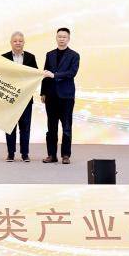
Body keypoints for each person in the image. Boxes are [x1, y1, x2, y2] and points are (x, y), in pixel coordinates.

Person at [41, 27, 80, 165]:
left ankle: (65, 155)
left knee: (66, 127)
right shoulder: (50, 54)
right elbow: (45, 74)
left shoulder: (74, 55)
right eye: (59, 36)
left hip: (66, 96)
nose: (62, 39)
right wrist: (43, 92)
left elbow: (72, 73)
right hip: (51, 96)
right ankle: (51, 155)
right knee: (51, 127)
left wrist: (55, 75)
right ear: (56, 38)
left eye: (64, 37)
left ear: (68, 39)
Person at [0, 31, 39, 162]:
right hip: (9, 98)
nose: (18, 43)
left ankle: (25, 154)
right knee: (10, 126)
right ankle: (11, 153)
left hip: (25, 98)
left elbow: (35, 75)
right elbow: (0, 76)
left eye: (20, 41)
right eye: (15, 41)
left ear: (24, 42)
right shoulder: (3, 57)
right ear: (11, 43)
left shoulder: (30, 57)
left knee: (25, 127)